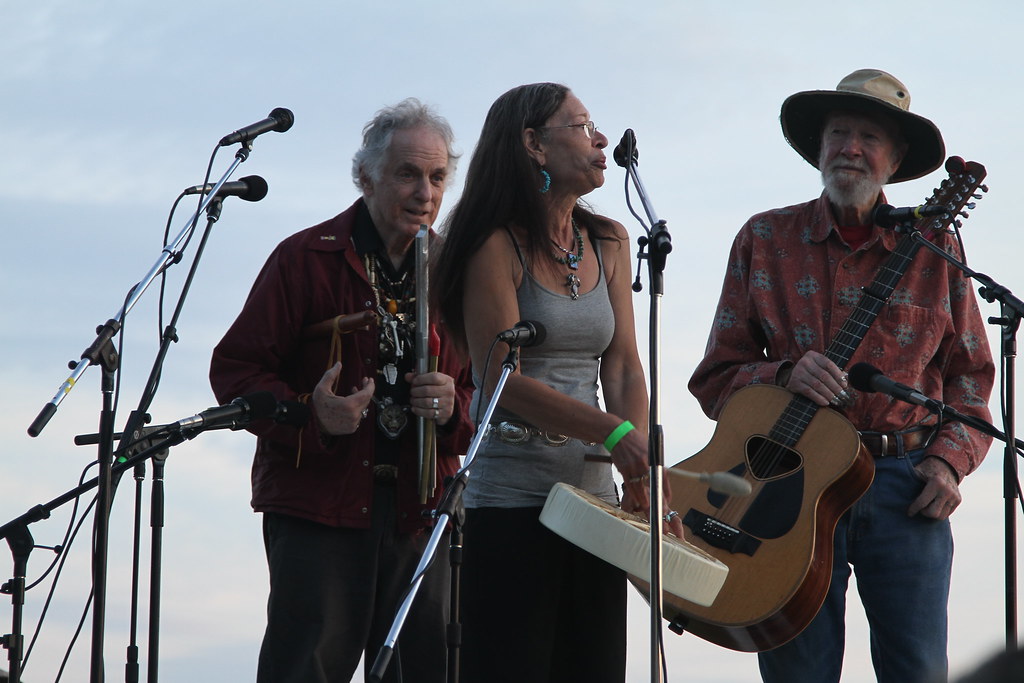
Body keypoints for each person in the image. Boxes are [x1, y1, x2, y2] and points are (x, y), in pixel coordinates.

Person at [688, 69, 995, 683]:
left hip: (904, 484)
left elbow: (971, 376)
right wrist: (781, 375)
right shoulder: (764, 238)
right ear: (819, 146)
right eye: (839, 132)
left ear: (897, 157)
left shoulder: (937, 244)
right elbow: (715, 378)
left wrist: (948, 462)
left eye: (869, 136)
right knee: (798, 673)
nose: (851, 147)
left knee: (917, 671)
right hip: (785, 485)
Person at [209, 98, 475, 683]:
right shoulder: (305, 258)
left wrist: (454, 405)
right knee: (306, 670)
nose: (425, 192)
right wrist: (311, 413)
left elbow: (486, 396)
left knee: (428, 670)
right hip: (320, 511)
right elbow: (236, 371)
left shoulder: (456, 272)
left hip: (420, 513)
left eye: (437, 177)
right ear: (366, 177)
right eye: (407, 174)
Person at [432, 82, 683, 683]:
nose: (600, 139)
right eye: (581, 125)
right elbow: (499, 379)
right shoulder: (493, 244)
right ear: (532, 144)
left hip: (596, 505)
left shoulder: (612, 241)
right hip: (512, 500)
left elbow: (622, 366)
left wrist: (637, 464)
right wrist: (615, 431)